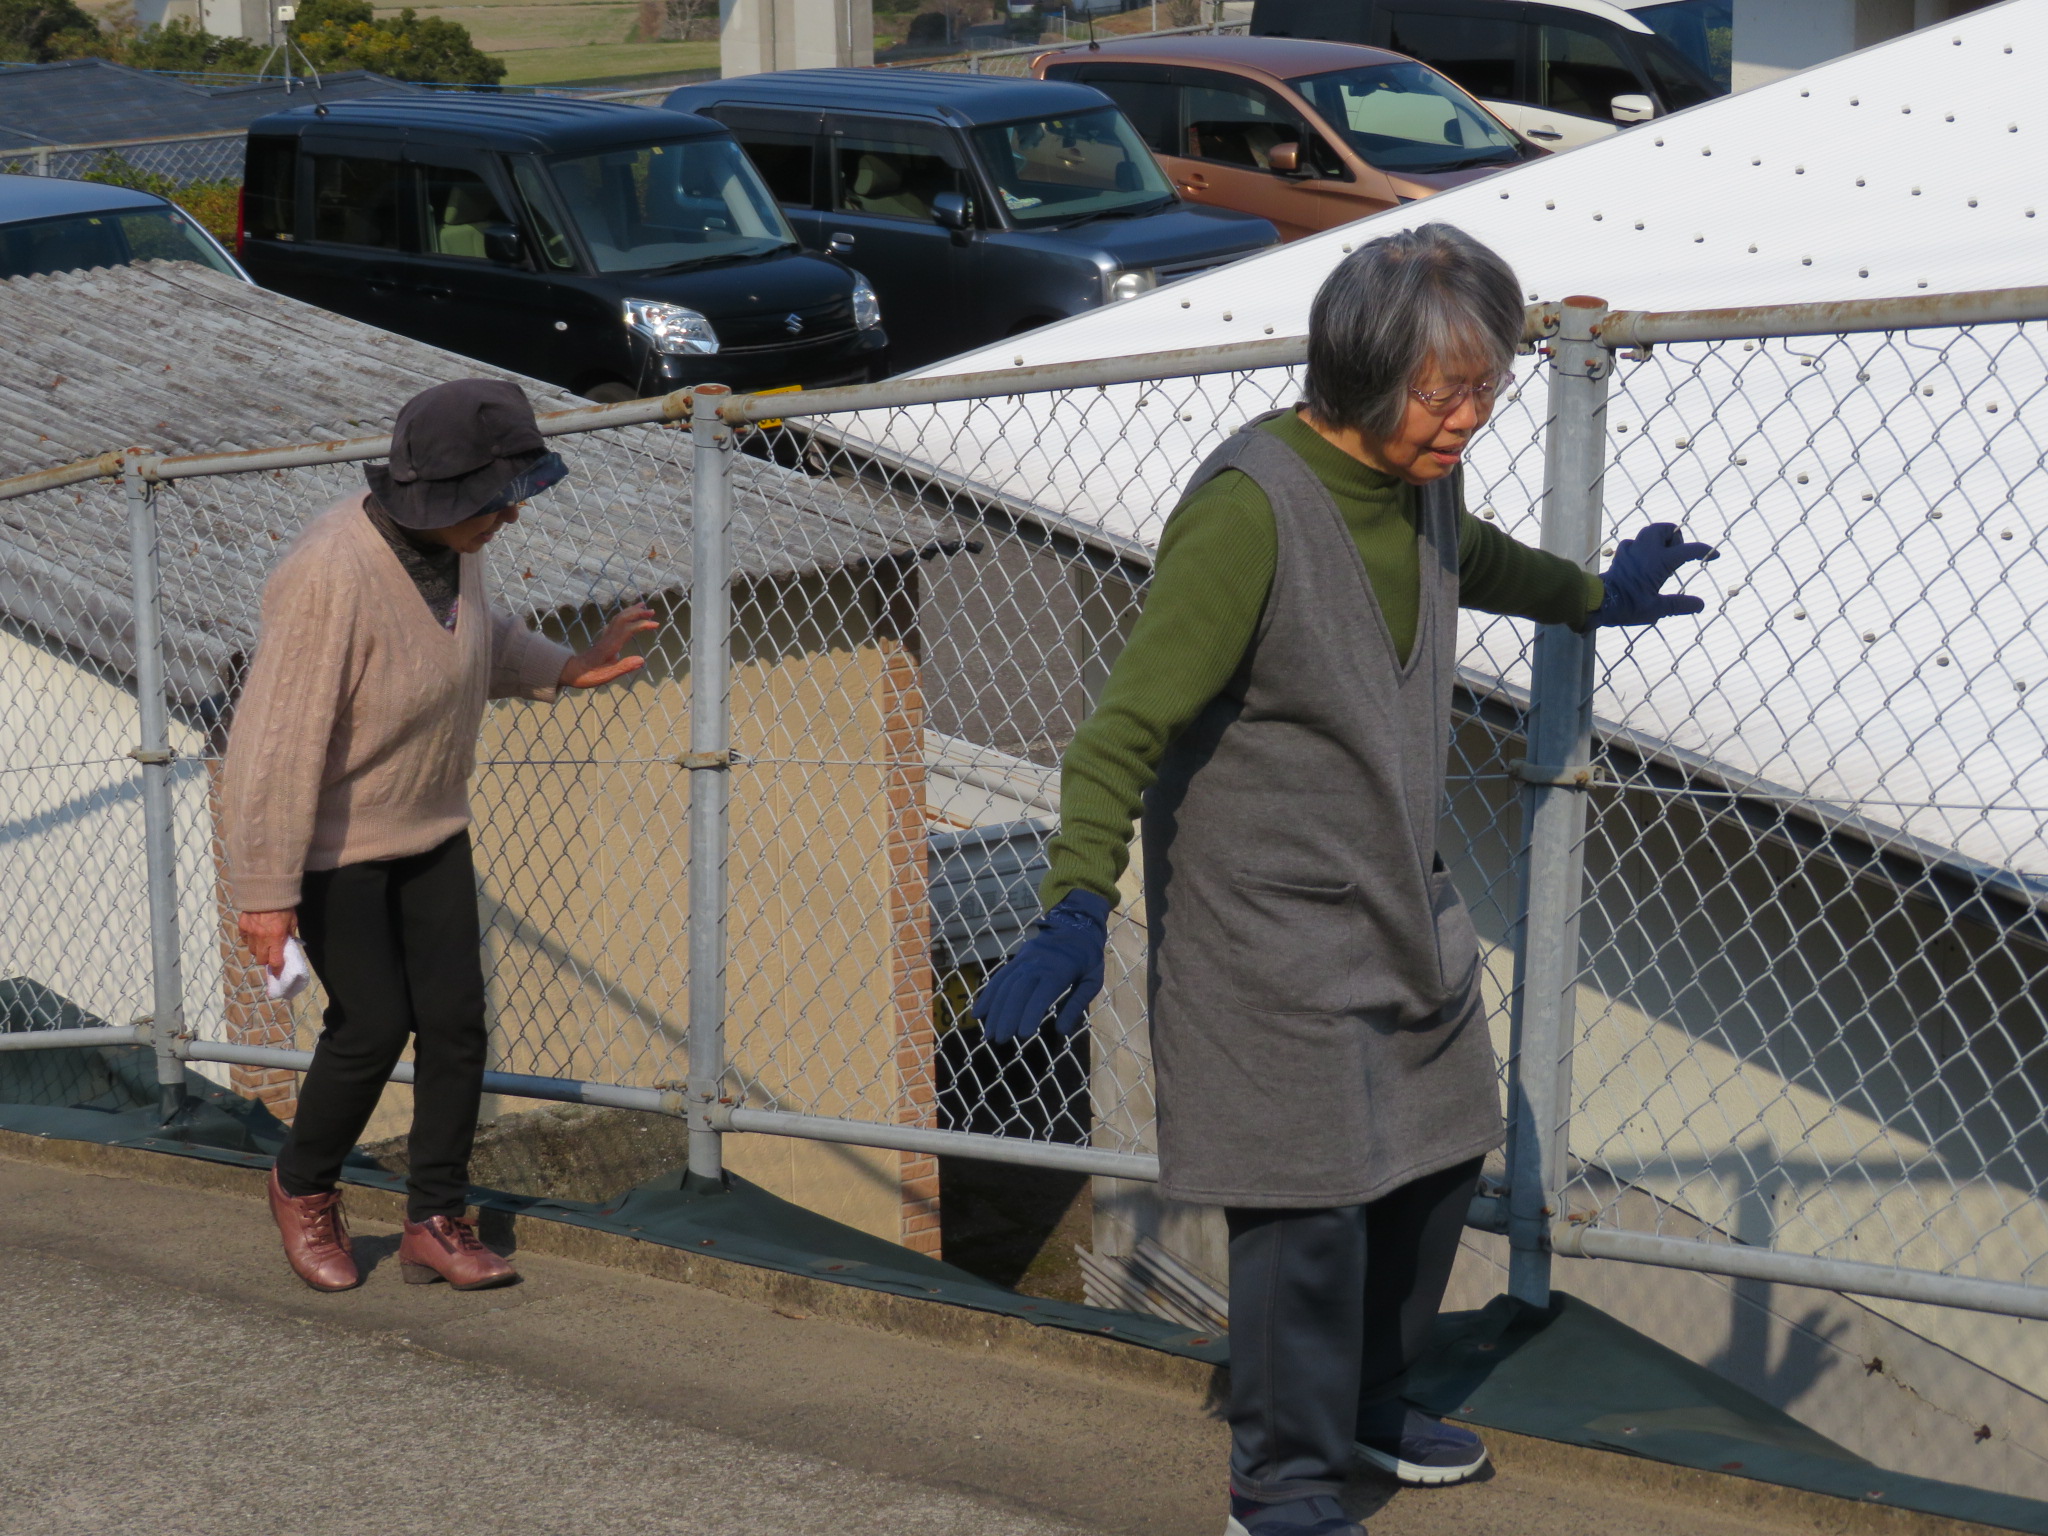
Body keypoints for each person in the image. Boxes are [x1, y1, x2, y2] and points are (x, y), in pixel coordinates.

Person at [974, 224, 1714, 1536]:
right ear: (1363, 377)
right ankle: (1282, 1483)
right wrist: (1077, 899)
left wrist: (1595, 597)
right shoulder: (1248, 511)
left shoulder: (1414, 485)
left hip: (1394, 899)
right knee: (1304, 1211)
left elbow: (1470, 558)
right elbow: (1121, 728)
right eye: (1441, 394)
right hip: (1260, 926)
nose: (1467, 419)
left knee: (1434, 1161)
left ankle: (1367, 1405)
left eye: (1484, 388)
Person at [223, 379, 656, 1295]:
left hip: (430, 825)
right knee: (372, 1025)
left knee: (457, 1024)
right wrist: (264, 893)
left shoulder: (456, 545)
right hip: (334, 846)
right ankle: (302, 1185)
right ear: (441, 496)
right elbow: (273, 740)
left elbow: (473, 637)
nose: (511, 516)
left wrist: (567, 666)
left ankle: (434, 1218)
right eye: (497, 500)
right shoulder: (329, 570)